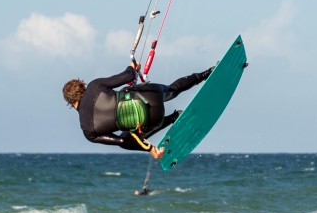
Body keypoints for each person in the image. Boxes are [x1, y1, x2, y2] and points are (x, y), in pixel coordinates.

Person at [63, 60, 212, 160]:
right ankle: (206, 73)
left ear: (70, 103)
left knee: (127, 133)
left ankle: (173, 118)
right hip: (151, 95)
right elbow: (128, 75)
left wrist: (150, 149)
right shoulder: (94, 86)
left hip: (153, 120)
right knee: (172, 90)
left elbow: (123, 141)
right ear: (82, 87)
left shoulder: (88, 131)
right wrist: (132, 68)